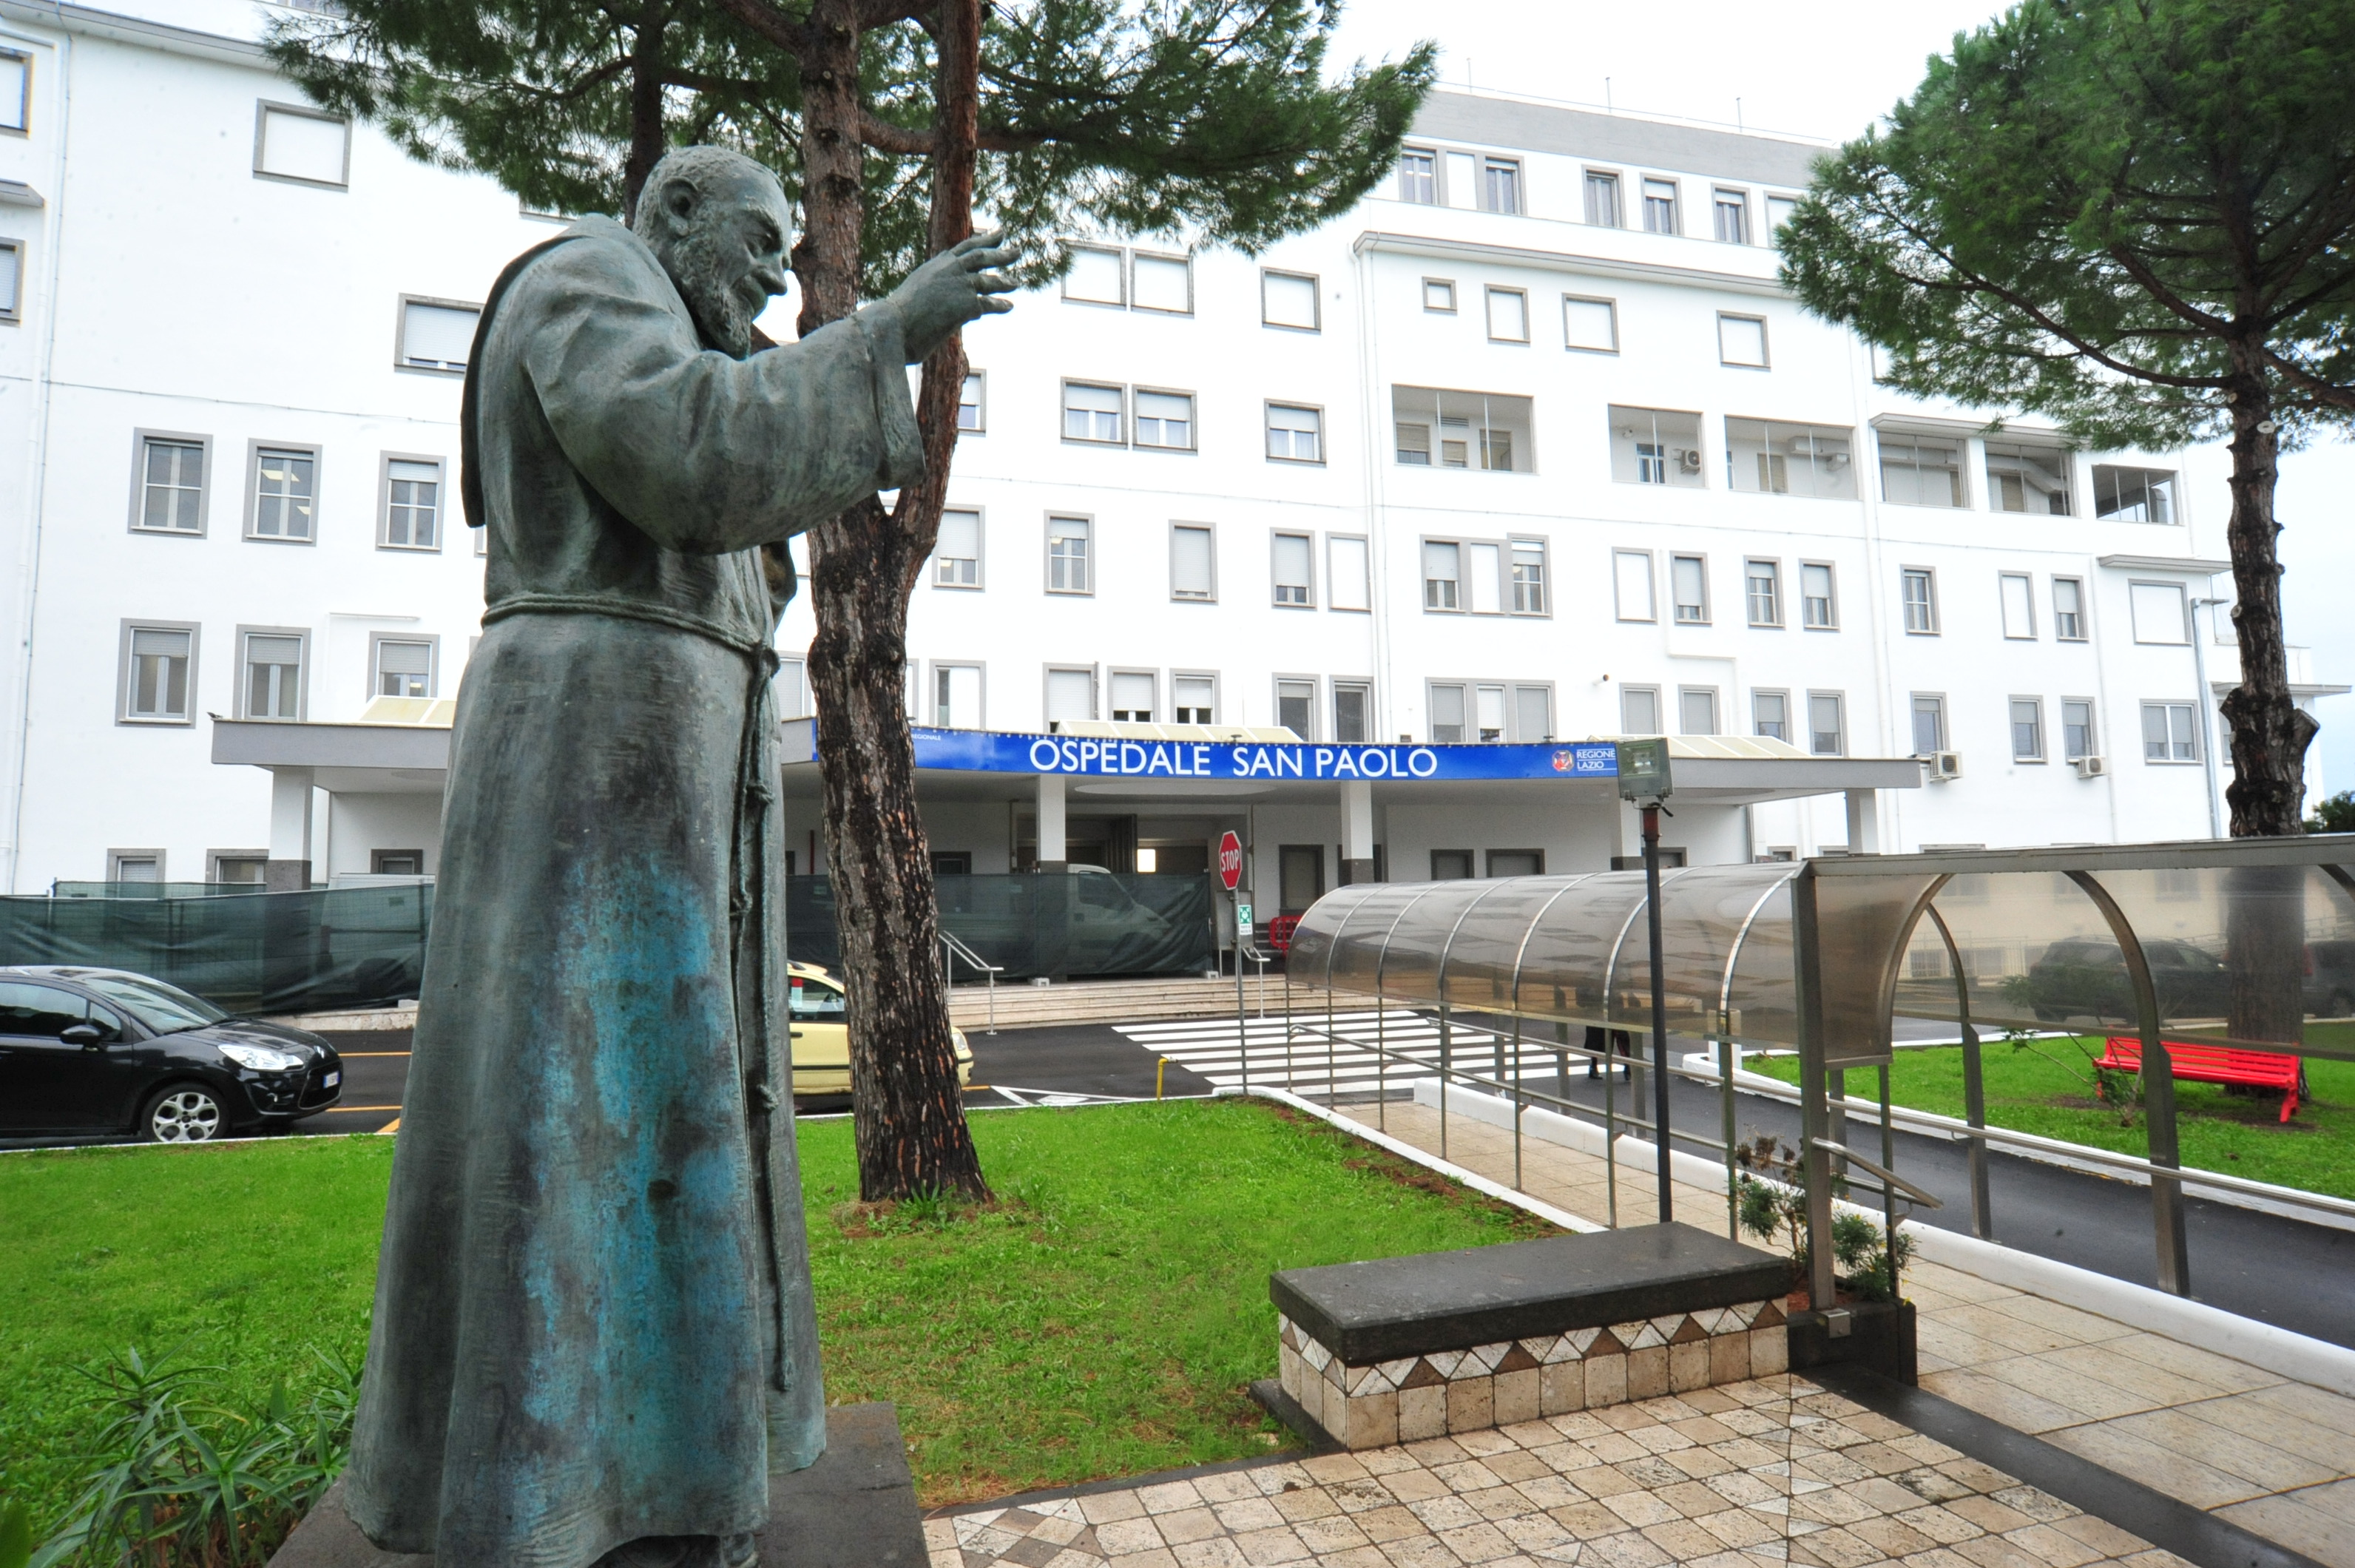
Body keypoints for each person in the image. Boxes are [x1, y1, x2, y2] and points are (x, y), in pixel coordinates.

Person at [343, 146, 1016, 1568]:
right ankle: (551, 1495)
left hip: (656, 766)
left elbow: (737, 497)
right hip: (594, 749)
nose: (783, 272)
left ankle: (670, 1473)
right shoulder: (591, 280)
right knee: (573, 1115)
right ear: (678, 216)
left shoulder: (665, 307)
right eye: (764, 241)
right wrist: (884, 329)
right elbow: (693, 457)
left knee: (669, 1111)